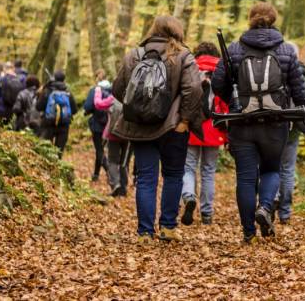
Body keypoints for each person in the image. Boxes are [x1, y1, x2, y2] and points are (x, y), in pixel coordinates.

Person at [211, 2, 305, 242]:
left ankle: (249, 233)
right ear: (273, 20)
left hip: (242, 123)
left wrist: (234, 99)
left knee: (245, 178)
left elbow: (218, 84)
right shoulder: (286, 50)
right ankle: (265, 207)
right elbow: (300, 92)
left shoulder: (235, 49)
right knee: (272, 169)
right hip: (275, 123)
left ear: (250, 19)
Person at [111, 15, 204, 243]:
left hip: (140, 128)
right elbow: (194, 88)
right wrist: (184, 120)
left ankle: (144, 232)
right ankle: (167, 227)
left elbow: (117, 88)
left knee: (145, 178)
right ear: (177, 31)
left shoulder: (134, 55)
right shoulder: (182, 55)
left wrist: (137, 109)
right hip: (174, 128)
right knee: (173, 175)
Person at [180, 42, 228, 227]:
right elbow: (225, 101)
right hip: (214, 127)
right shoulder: (221, 70)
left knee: (189, 167)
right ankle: (207, 213)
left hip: (192, 126)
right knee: (208, 171)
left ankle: (189, 195)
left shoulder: (191, 67)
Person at [275, 41, 305, 225]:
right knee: (287, 170)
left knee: (270, 168)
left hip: (272, 128)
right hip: (293, 131)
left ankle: (271, 200)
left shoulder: (273, 72)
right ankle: (285, 213)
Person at [36, 70, 78, 157]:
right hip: (63, 126)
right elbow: (74, 110)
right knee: (59, 152)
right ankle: (58, 168)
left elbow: (38, 107)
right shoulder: (68, 92)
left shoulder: (47, 91)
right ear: (64, 79)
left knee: (46, 150)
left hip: (48, 124)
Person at [83, 70, 112, 181]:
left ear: (96, 78)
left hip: (97, 125)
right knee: (101, 150)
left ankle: (109, 170)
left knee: (99, 149)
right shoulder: (112, 89)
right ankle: (96, 175)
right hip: (110, 124)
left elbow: (87, 107)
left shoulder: (95, 90)